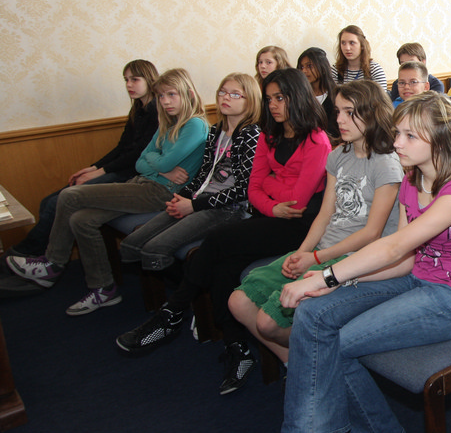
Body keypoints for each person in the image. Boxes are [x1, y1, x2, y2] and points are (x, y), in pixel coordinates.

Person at [238, 92, 451, 433]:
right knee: (315, 315)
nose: (396, 142)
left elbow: (394, 246)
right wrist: (338, 282)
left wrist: (325, 277)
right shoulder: (413, 180)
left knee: (333, 343)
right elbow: (405, 261)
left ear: (440, 140)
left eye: (409, 136)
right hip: (416, 279)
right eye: (398, 133)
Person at [114, 69, 331, 393]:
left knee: (216, 241)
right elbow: (253, 189)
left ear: (297, 98)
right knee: (222, 268)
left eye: (280, 98)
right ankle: (237, 349)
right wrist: (272, 199)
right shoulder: (269, 135)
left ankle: (172, 313)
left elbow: (297, 200)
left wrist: (270, 187)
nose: (273, 105)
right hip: (270, 216)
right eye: (269, 98)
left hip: (299, 226)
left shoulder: (316, 140)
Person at [229, 80, 403, 365]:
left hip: (353, 258)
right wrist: (302, 253)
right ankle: (293, 361)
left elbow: (372, 233)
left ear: (373, 114)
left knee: (267, 323)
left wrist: (317, 258)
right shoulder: (338, 156)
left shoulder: (386, 163)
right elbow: (325, 214)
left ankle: (312, 358)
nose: (340, 120)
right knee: (238, 302)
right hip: (323, 249)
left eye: (350, 112)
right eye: (338, 111)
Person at [7, 69, 208, 315]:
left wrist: (159, 164)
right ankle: (103, 289)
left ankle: (52, 262)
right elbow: (140, 161)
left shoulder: (195, 124)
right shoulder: (168, 122)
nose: (165, 101)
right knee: (81, 220)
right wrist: (163, 168)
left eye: (171, 95)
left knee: (70, 195)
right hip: (142, 183)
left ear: (188, 94)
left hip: (160, 192)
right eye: (161, 96)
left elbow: (159, 161)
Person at [8, 59, 160, 259]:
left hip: (133, 175)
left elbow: (138, 154)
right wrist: (93, 167)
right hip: (120, 168)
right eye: (126, 80)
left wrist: (100, 172)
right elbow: (122, 147)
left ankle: (26, 253)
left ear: (149, 79)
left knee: (56, 202)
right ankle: (38, 254)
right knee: (47, 201)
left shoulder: (157, 111)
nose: (129, 85)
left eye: (135, 79)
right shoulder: (138, 110)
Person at [115, 73, 262, 276]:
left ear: (251, 100)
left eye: (235, 94)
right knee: (132, 243)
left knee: (153, 248)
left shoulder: (252, 134)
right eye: (222, 92)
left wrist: (193, 206)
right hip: (198, 199)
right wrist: (182, 197)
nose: (226, 98)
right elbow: (203, 173)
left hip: (227, 208)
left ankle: (184, 289)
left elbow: (243, 190)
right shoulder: (216, 131)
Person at [332, 25, 387, 91]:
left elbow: (381, 97)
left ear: (362, 45)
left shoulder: (375, 70)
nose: (347, 48)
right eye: (343, 43)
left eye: (352, 43)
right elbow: (332, 95)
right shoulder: (335, 70)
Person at [297, 47, 339, 134]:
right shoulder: (299, 96)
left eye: (309, 66)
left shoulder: (337, 95)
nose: (304, 71)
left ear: (322, 67)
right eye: (301, 67)